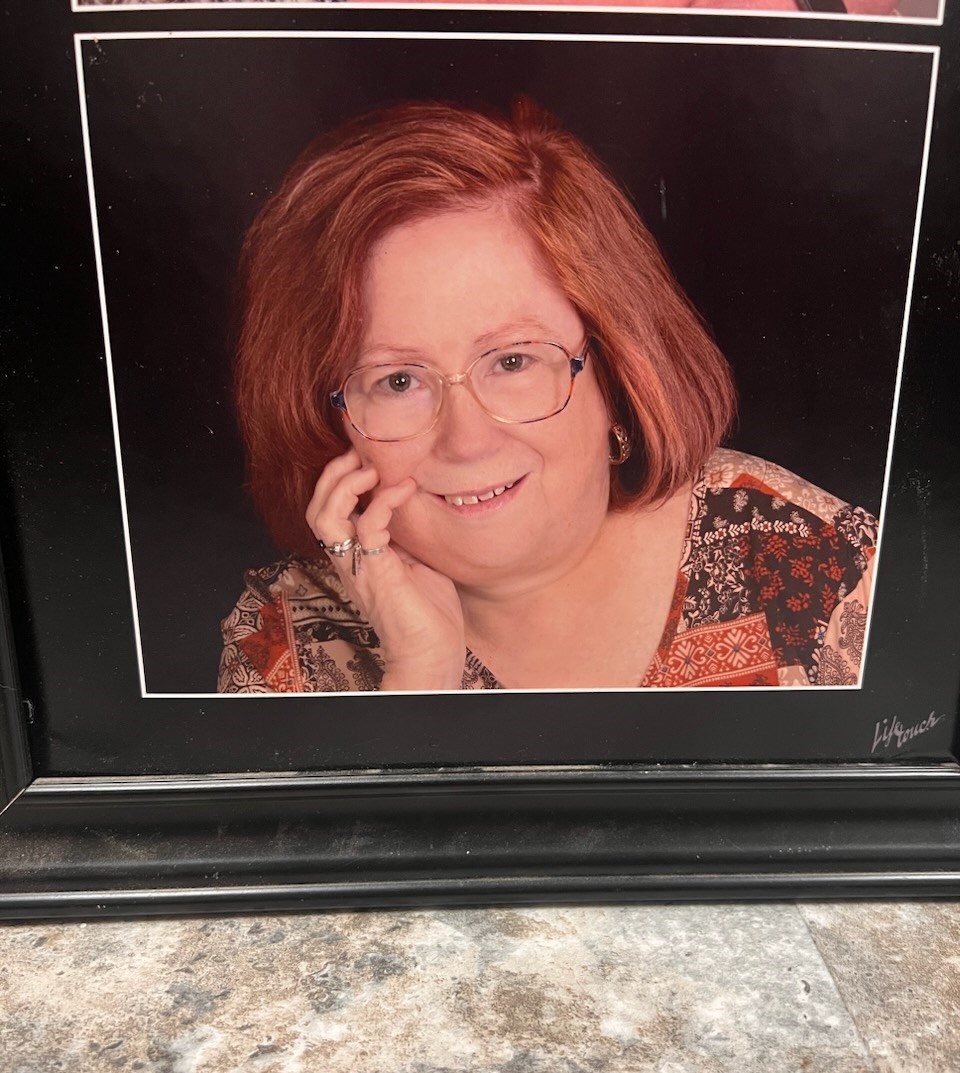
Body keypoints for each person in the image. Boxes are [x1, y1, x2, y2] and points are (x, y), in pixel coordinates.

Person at [219, 99, 876, 694]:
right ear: (330, 420)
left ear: (616, 373)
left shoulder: (816, 563)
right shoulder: (284, 651)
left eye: (513, 361)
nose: (467, 441)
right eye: (398, 381)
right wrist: (419, 680)